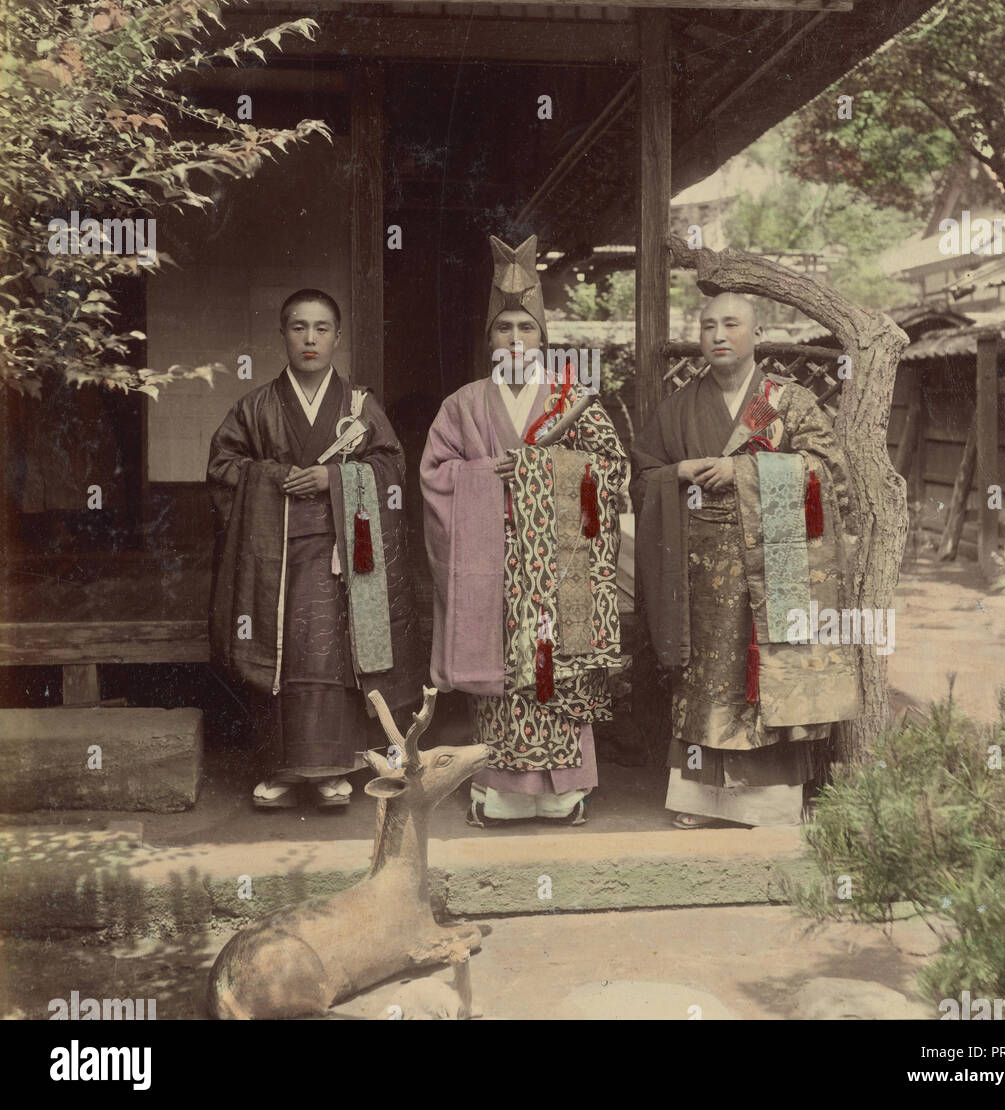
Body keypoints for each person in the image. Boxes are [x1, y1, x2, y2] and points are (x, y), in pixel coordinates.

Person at [631, 290, 859, 829]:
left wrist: (748, 472)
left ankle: (773, 802)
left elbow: (831, 473)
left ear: (756, 334)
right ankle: (701, 802)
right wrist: (678, 471)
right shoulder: (679, 406)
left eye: (731, 324)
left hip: (780, 568)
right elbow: (642, 476)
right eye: (707, 325)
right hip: (701, 574)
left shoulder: (787, 400)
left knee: (771, 672)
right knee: (707, 679)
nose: (717, 335)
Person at [420, 235, 627, 826]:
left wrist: (542, 469)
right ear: (490, 339)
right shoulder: (462, 405)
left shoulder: (571, 399)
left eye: (526, 329)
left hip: (559, 565)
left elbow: (611, 472)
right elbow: (433, 475)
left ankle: (565, 791)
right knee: (504, 679)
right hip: (489, 561)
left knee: (553, 675)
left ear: (544, 337)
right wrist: (487, 474)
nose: (515, 340)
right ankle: (498, 792)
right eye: (504, 328)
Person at [207, 289, 421, 810]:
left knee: (332, 659)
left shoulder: (360, 405)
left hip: (343, 556)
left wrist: (333, 478)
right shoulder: (255, 406)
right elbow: (222, 470)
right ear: (282, 334)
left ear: (337, 337)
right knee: (282, 656)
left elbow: (392, 468)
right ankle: (283, 768)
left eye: (321, 328)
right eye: (298, 327)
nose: (310, 338)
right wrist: (276, 479)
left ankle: (332, 770)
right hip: (273, 559)